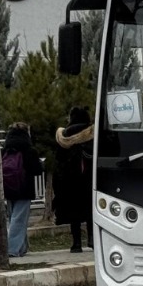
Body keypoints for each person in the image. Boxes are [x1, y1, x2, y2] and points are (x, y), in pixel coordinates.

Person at [54, 106, 94, 252]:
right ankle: (91, 239)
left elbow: (58, 160)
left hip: (69, 181)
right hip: (89, 179)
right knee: (90, 210)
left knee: (74, 213)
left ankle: (76, 243)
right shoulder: (92, 132)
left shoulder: (64, 135)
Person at [2, 122, 43, 257]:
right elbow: (36, 170)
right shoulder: (29, 150)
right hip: (24, 189)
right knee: (19, 219)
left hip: (8, 189)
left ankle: (22, 248)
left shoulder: (5, 150)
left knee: (13, 218)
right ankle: (12, 249)